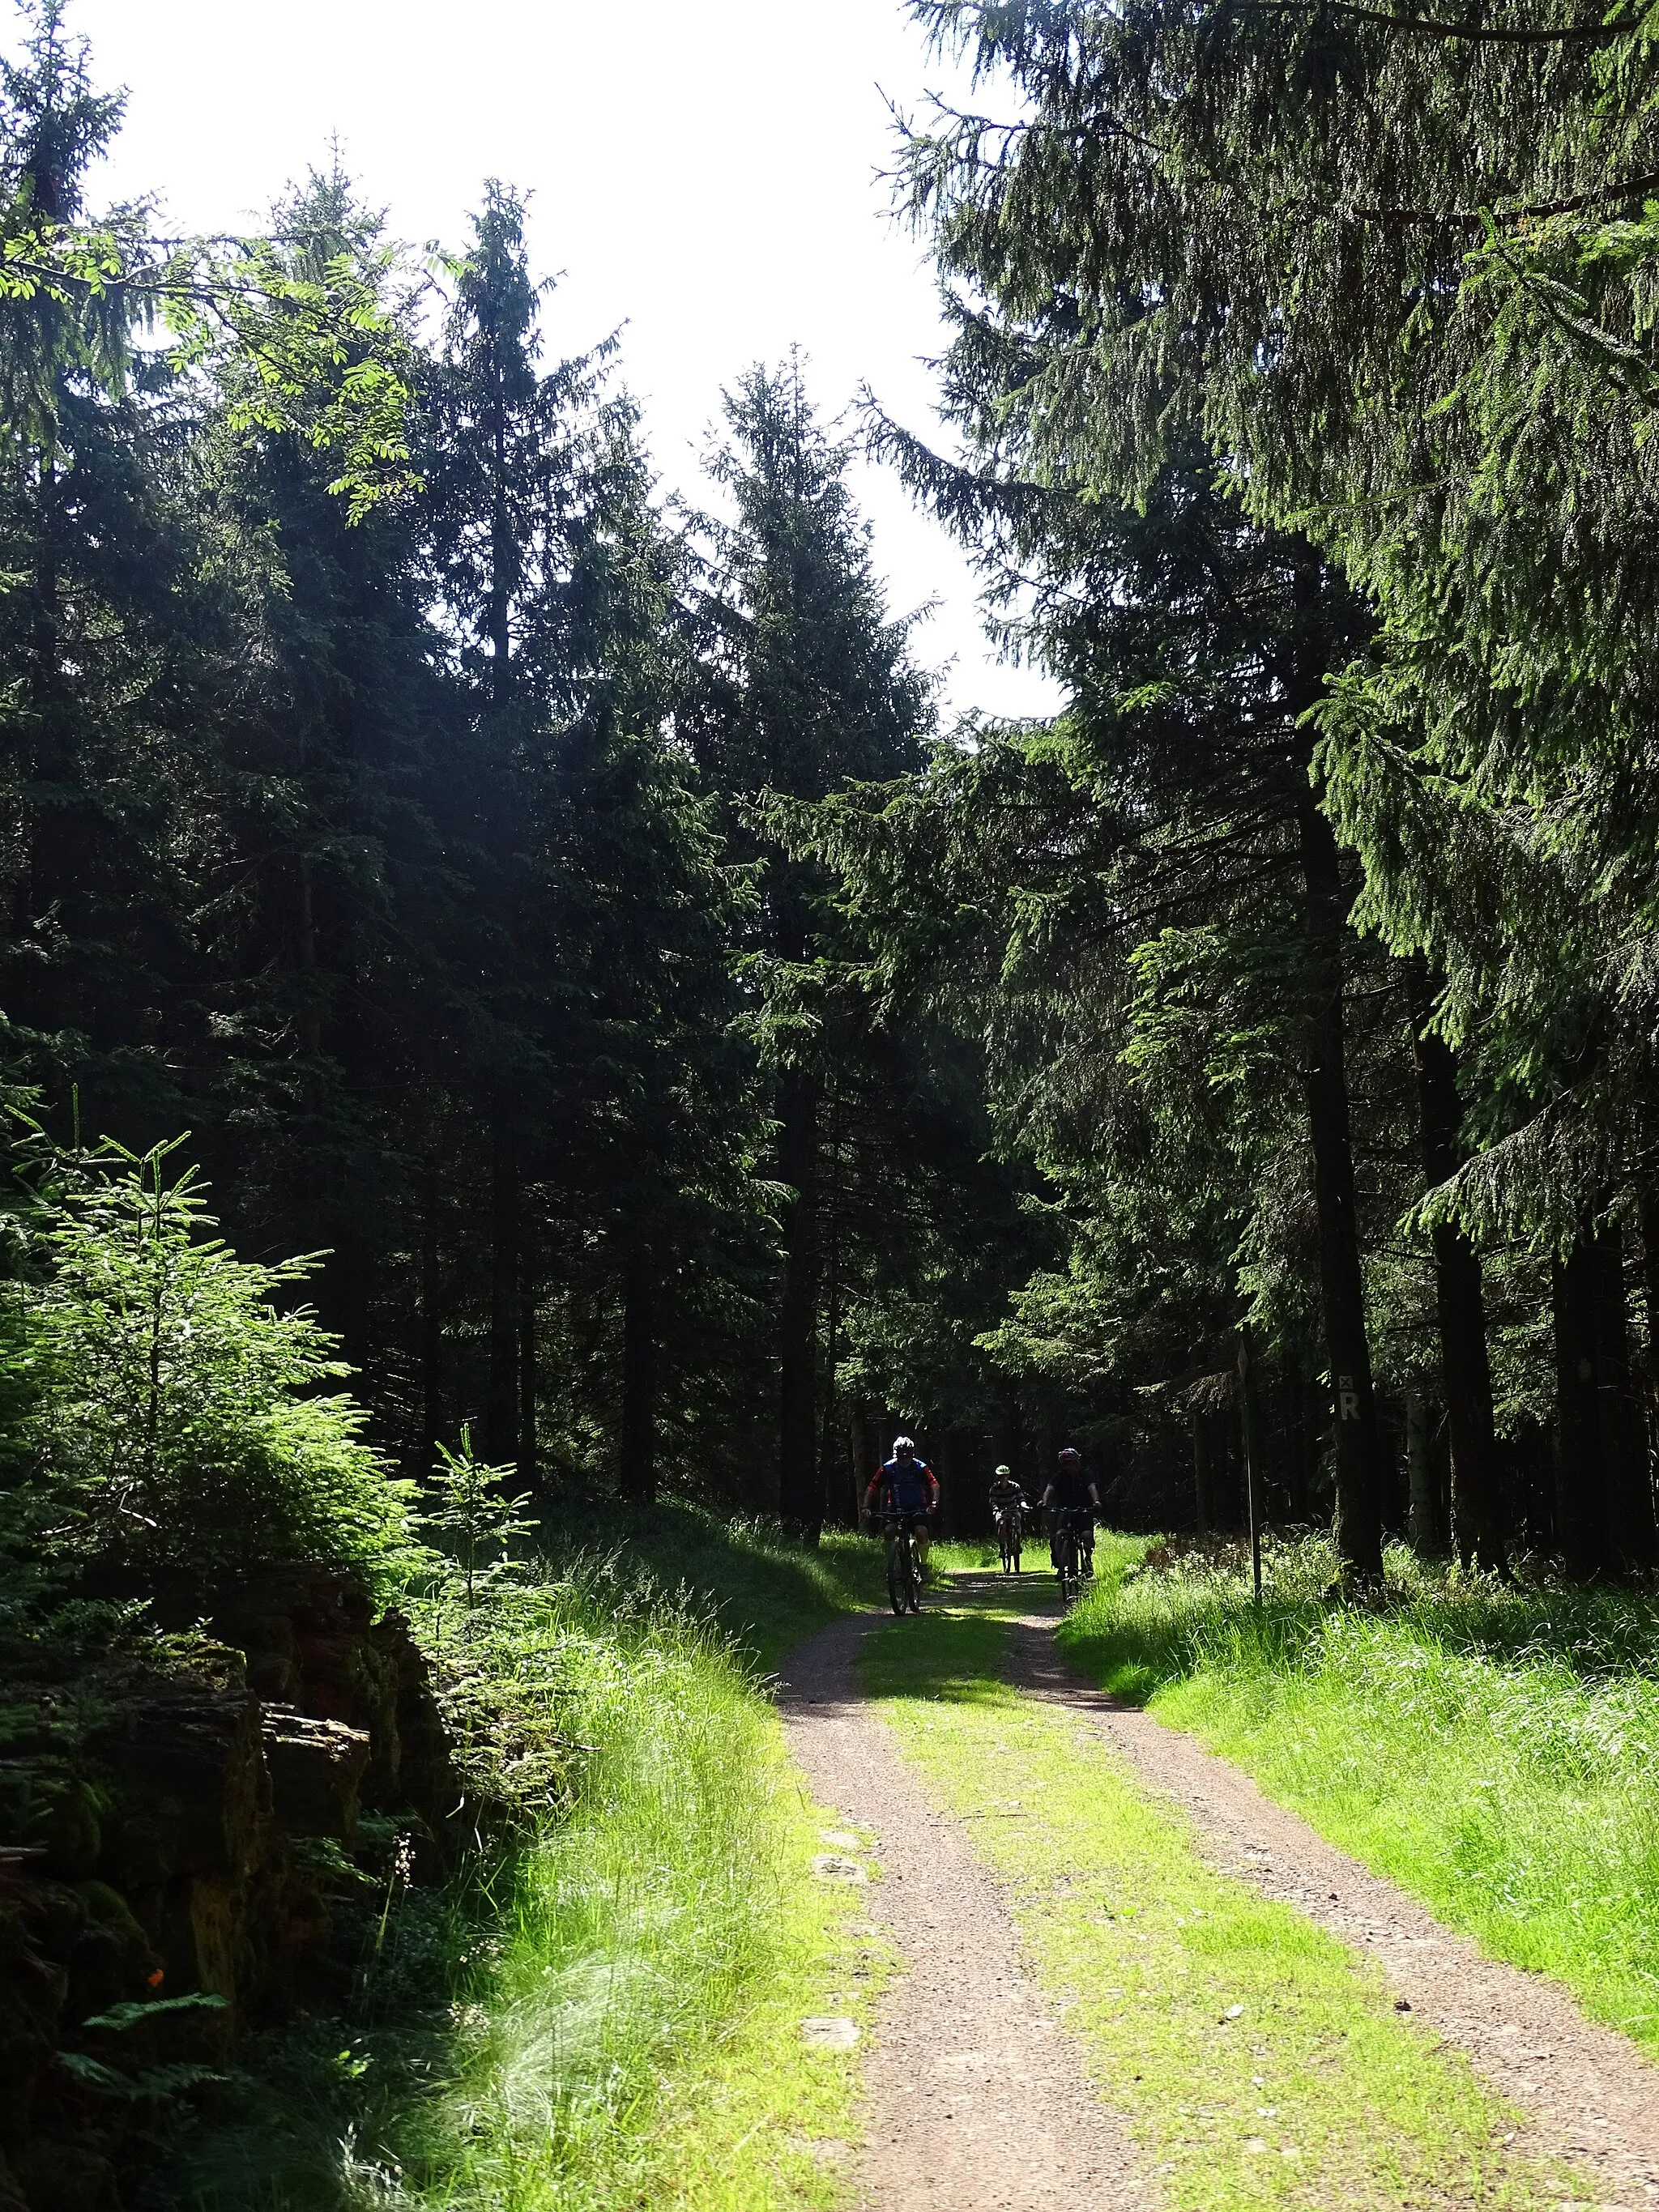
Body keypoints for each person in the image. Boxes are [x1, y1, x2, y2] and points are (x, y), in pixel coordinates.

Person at [864, 1436, 940, 1575]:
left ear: (912, 1455)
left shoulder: (920, 1468)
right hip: (895, 1508)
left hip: (918, 1507)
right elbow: (872, 1486)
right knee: (889, 1531)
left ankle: (923, 1565)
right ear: (896, 1456)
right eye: (901, 1457)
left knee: (921, 1532)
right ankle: (891, 1564)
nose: (904, 1460)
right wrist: (866, 1507)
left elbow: (934, 1484)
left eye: (907, 1456)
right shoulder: (887, 1468)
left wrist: (934, 1503)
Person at [1043, 1447, 1101, 1579]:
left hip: (1083, 1511)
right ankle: (1061, 1567)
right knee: (1059, 1536)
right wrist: (1044, 1502)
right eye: (1066, 1464)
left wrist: (1096, 1502)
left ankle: (1087, 1559)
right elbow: (1049, 1489)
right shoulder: (1059, 1476)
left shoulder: (1086, 1475)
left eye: (1072, 1463)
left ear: (1078, 1462)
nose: (1070, 1467)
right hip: (1064, 1511)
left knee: (1087, 1536)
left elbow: (1092, 1488)